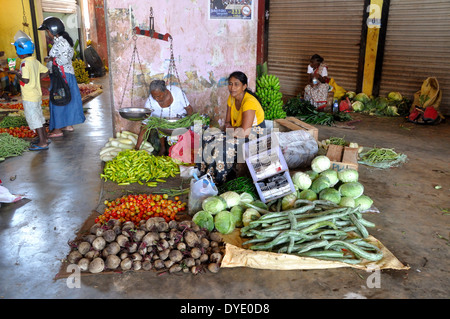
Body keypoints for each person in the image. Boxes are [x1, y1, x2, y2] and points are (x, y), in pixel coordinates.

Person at [196, 71, 266, 185]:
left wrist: (231, 130)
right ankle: (204, 174)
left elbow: (244, 132)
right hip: (237, 130)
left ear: (244, 86)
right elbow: (227, 123)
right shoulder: (232, 98)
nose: (232, 88)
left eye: (236, 84)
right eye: (230, 84)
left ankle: (219, 182)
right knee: (207, 137)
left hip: (254, 134)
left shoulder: (249, 102)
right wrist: (231, 130)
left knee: (223, 147)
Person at [38, 16, 85, 138]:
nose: (47, 34)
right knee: (67, 100)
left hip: (61, 76)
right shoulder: (63, 41)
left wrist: (50, 60)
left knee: (57, 100)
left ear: (52, 31)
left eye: (47, 31)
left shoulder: (61, 43)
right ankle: (68, 125)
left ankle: (57, 129)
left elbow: (62, 60)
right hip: (65, 76)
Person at [9, 33, 50, 151]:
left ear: (20, 51)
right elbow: (46, 71)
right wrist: (37, 78)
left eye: (16, 49)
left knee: (34, 119)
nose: (16, 52)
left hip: (29, 96)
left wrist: (17, 73)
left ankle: (42, 143)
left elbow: (25, 80)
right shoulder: (34, 61)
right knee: (40, 118)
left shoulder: (25, 63)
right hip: (36, 95)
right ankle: (45, 138)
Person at [135, 79, 193, 154]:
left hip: (180, 121)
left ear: (165, 91)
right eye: (153, 96)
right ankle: (163, 148)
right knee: (159, 129)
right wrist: (137, 147)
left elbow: (189, 108)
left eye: (158, 96)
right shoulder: (150, 103)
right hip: (163, 125)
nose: (156, 99)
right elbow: (144, 126)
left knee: (183, 147)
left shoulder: (177, 92)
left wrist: (188, 123)